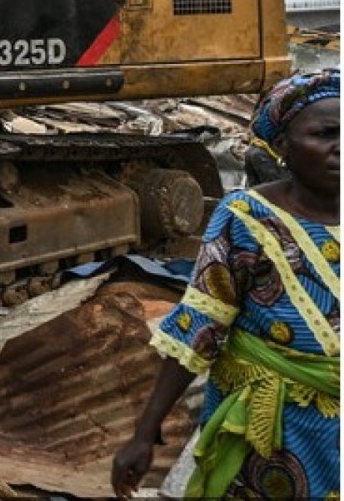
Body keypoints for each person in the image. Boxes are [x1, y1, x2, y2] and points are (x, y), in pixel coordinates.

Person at [111, 68, 339, 499]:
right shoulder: (246, 218)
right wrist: (145, 433)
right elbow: (202, 321)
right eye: (326, 134)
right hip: (272, 428)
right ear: (284, 147)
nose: (339, 148)